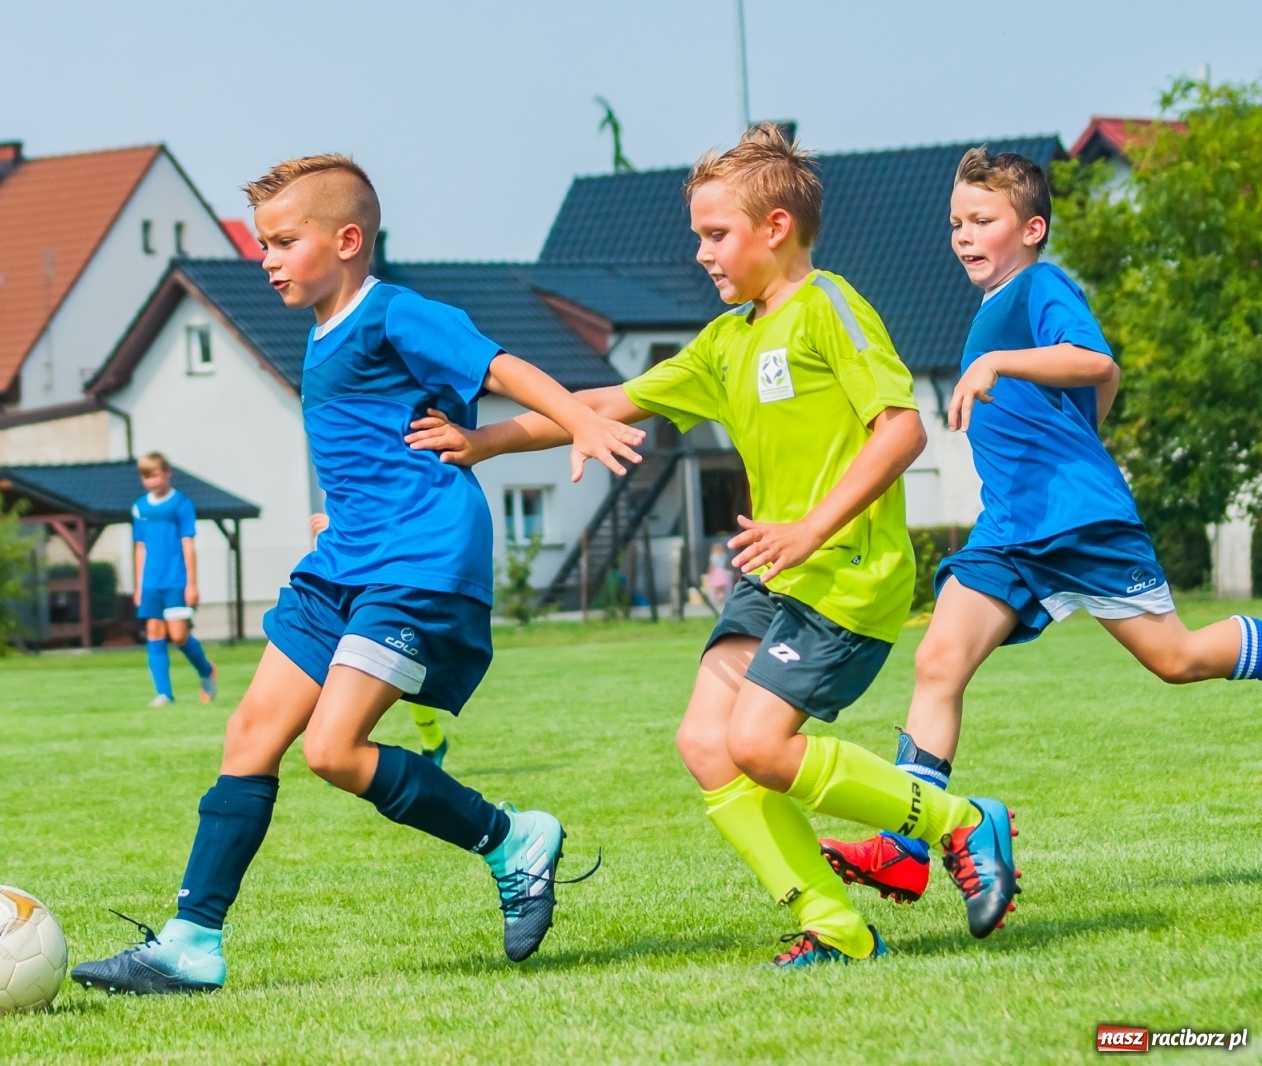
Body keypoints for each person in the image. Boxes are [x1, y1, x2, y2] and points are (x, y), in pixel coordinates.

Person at [407, 125, 1021, 966]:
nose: (700, 253)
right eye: (697, 235)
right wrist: (485, 443)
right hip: (776, 570)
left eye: (714, 234)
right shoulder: (727, 340)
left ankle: (961, 821)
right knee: (705, 743)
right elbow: (605, 402)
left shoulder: (830, 306)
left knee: (761, 746)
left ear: (775, 228)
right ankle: (835, 927)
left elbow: (902, 430)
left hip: (843, 572)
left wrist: (813, 525)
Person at [72, 154, 636, 995]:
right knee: (250, 736)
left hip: (418, 560)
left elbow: (500, 365)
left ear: (346, 240)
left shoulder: (394, 313)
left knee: (333, 750)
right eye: (263, 244)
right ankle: (192, 943)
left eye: (283, 242)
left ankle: (513, 839)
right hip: (344, 560)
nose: (266, 259)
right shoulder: (322, 333)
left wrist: (581, 422)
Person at [818, 148, 1262, 904]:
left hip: (1076, 523)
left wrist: (1000, 369)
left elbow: (1094, 360)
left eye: (981, 220)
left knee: (1177, 658)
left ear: (1032, 228)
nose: (962, 235)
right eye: (956, 222)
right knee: (938, 662)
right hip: (1008, 532)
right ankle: (903, 844)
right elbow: (1104, 385)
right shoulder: (993, 310)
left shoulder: (1039, 287)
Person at [313, 511, 451, 765]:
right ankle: (340, 749)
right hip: (352, 594)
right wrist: (331, 534)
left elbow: (389, 529)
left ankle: (432, 739)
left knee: (401, 671)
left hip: (392, 592)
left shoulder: (401, 491)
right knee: (342, 671)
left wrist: (336, 528)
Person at [132, 452, 216, 707]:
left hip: (176, 580)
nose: (152, 481)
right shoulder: (140, 507)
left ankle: (206, 670)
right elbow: (140, 547)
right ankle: (164, 694)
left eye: (155, 475)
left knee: (178, 635)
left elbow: (188, 544)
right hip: (151, 582)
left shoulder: (181, 504)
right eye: (146, 477)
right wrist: (138, 585)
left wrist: (192, 583)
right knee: (154, 631)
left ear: (167, 473)